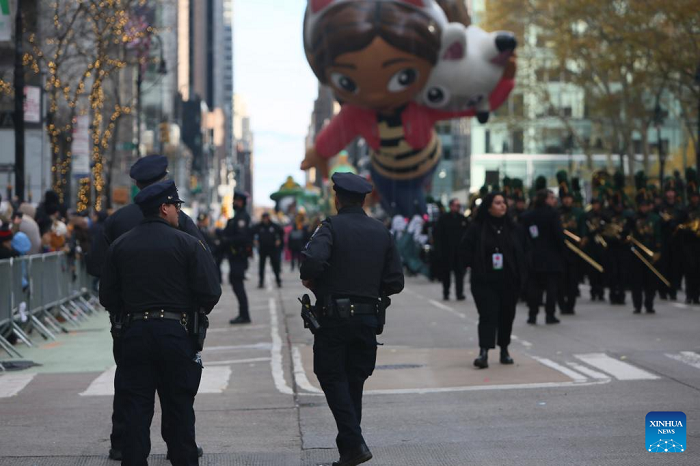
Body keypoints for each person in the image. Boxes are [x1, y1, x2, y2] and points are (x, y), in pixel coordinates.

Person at [86, 154, 206, 461]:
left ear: (137, 185)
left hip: (130, 324)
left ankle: (121, 443)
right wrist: (191, 311)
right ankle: (181, 452)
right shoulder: (182, 224)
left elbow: (98, 270)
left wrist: (126, 305)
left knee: (132, 395)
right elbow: (207, 280)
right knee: (178, 400)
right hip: (176, 327)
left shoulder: (118, 223)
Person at [301, 172, 404, 466]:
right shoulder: (381, 231)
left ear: (337, 199)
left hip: (334, 320)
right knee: (354, 381)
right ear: (364, 200)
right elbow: (396, 281)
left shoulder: (330, 227)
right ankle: (349, 449)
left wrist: (317, 283)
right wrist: (371, 290)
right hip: (368, 319)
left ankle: (355, 443)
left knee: (332, 377)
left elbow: (311, 263)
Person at [461, 192, 526, 368]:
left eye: (504, 202)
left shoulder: (513, 228)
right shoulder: (478, 227)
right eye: (498, 203)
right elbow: (465, 249)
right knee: (488, 315)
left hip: (508, 281)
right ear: (489, 206)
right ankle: (484, 351)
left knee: (506, 316)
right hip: (485, 281)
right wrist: (472, 264)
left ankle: (504, 349)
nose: (503, 205)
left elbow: (522, 252)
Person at [519, 189, 565, 324]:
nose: (554, 200)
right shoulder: (553, 214)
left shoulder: (527, 216)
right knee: (551, 288)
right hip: (551, 257)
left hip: (533, 257)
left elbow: (522, 236)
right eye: (551, 198)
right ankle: (549, 315)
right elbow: (559, 236)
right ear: (545, 199)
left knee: (534, 287)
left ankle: (532, 314)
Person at [221, 191, 253, 324]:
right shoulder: (236, 217)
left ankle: (244, 315)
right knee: (235, 284)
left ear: (243, 202)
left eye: (238, 201)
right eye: (235, 200)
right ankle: (243, 313)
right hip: (234, 257)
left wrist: (226, 239)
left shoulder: (242, 217)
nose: (235, 203)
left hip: (239, 256)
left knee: (237, 284)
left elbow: (242, 237)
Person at [626, 198, 661, 314]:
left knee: (650, 282)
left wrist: (658, 251)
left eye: (646, 206)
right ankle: (637, 305)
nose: (644, 208)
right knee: (636, 282)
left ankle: (649, 304)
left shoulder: (655, 219)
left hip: (650, 253)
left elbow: (658, 236)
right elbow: (626, 233)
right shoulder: (633, 218)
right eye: (642, 206)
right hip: (637, 254)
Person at [434, 198, 468, 300]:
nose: (457, 208)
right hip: (447, 251)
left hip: (459, 252)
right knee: (446, 274)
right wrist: (438, 250)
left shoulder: (463, 219)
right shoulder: (443, 219)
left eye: (458, 206)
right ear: (450, 206)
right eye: (455, 205)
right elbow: (438, 235)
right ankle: (446, 292)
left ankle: (459, 293)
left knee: (460, 274)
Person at [557, 192, 585, 314]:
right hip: (560, 251)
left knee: (573, 280)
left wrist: (584, 238)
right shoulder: (556, 213)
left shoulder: (579, 213)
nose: (567, 200)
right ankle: (562, 305)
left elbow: (583, 229)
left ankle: (571, 305)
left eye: (569, 198)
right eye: (565, 198)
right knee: (561, 280)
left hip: (574, 250)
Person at [584, 198, 608, 301]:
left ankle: (601, 291)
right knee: (592, 269)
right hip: (592, 245)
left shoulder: (603, 214)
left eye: (597, 204)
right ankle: (593, 290)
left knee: (602, 268)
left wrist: (601, 228)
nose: (596, 206)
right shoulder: (588, 215)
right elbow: (586, 229)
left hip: (601, 245)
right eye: (594, 204)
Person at [253, 212, 284, 288]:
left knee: (275, 265)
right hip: (263, 248)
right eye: (264, 218)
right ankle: (261, 282)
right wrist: (254, 240)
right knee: (261, 266)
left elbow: (281, 233)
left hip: (272, 248)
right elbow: (252, 233)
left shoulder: (274, 226)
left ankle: (278, 280)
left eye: (267, 218)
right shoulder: (259, 226)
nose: (265, 220)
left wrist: (279, 240)